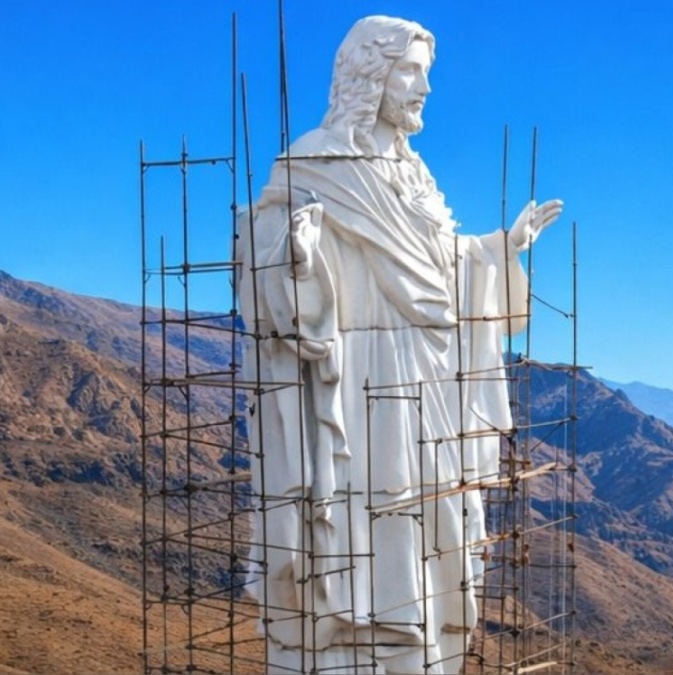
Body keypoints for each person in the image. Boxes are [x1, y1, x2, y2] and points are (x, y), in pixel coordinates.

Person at [237, 15, 562, 674]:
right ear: (371, 75)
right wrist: (296, 259)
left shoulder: (415, 173)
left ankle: (418, 652)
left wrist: (498, 251)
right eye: (411, 72)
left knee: (427, 529)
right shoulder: (313, 165)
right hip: (353, 383)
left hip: (427, 381)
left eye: (425, 73)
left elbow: (439, 270)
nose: (424, 88)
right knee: (359, 525)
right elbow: (261, 274)